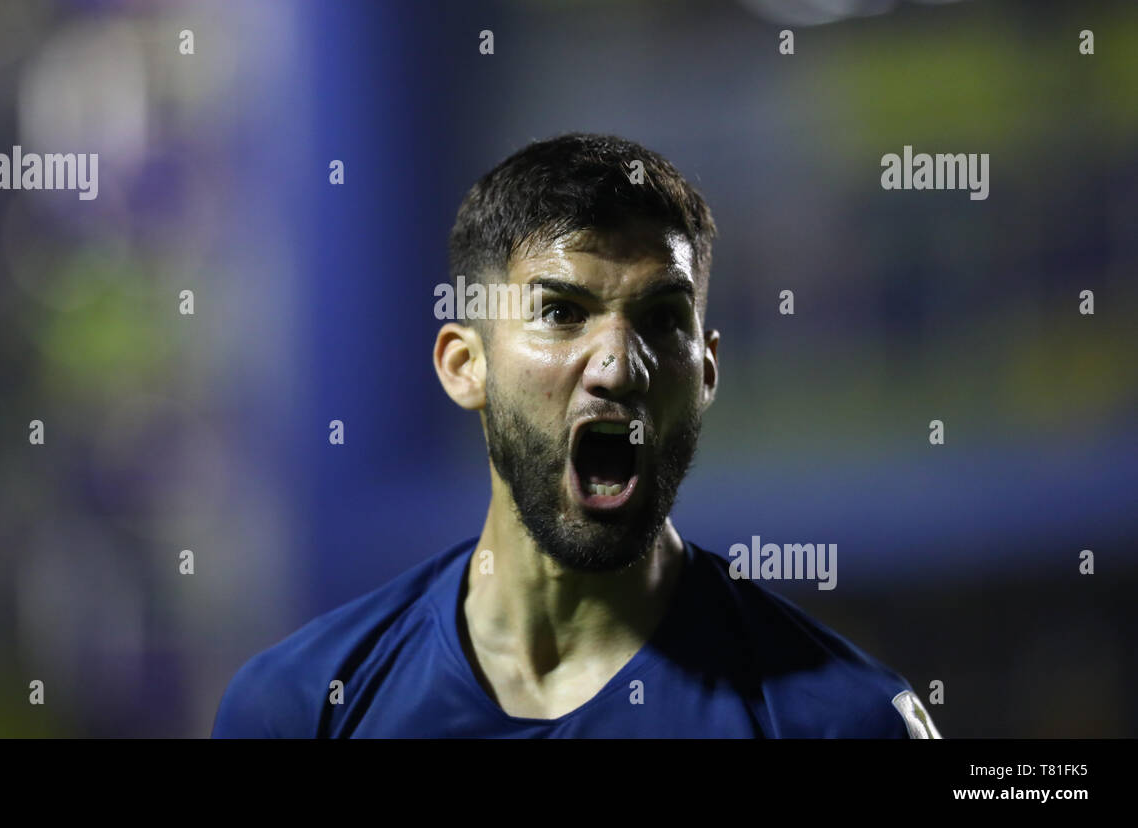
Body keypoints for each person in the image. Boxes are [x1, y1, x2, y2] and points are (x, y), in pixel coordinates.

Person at [212, 132, 941, 738]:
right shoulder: (302, 707)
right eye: (562, 313)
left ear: (708, 371)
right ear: (466, 366)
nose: (619, 365)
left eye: (661, 318)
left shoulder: (842, 723)